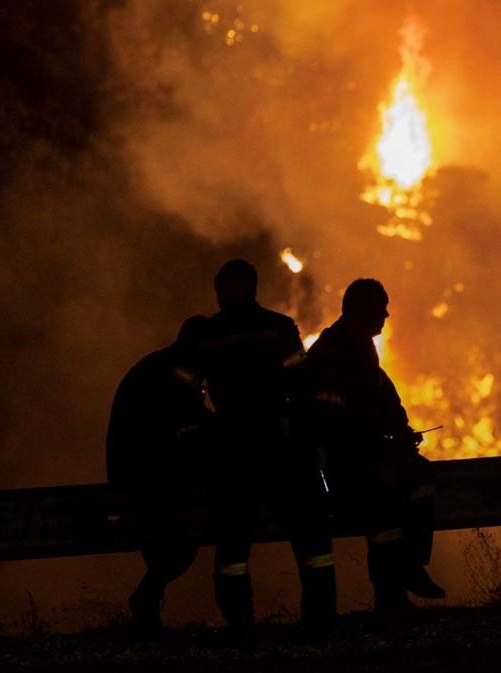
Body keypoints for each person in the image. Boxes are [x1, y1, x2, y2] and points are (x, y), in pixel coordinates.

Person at [199, 258, 335, 637]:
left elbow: (190, 390)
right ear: (253, 289)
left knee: (233, 545)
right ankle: (321, 618)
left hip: (233, 450)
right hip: (280, 446)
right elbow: (304, 382)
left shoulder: (208, 334)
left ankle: (240, 621)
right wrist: (311, 437)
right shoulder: (278, 328)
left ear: (223, 290)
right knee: (311, 535)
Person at [308, 278, 444, 622]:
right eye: (380, 307)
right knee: (385, 511)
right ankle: (391, 601)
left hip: (369, 456)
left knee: (422, 474)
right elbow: (331, 421)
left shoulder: (362, 348)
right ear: (360, 310)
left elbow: (381, 391)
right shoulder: (329, 354)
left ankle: (412, 568)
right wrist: (371, 458)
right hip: (341, 466)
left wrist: (400, 430)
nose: (386, 314)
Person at [106, 315, 213, 634]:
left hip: (137, 475)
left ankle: (147, 603)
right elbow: (191, 426)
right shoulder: (179, 374)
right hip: (144, 479)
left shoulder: (162, 365)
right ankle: (146, 601)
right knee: (184, 539)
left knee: (180, 544)